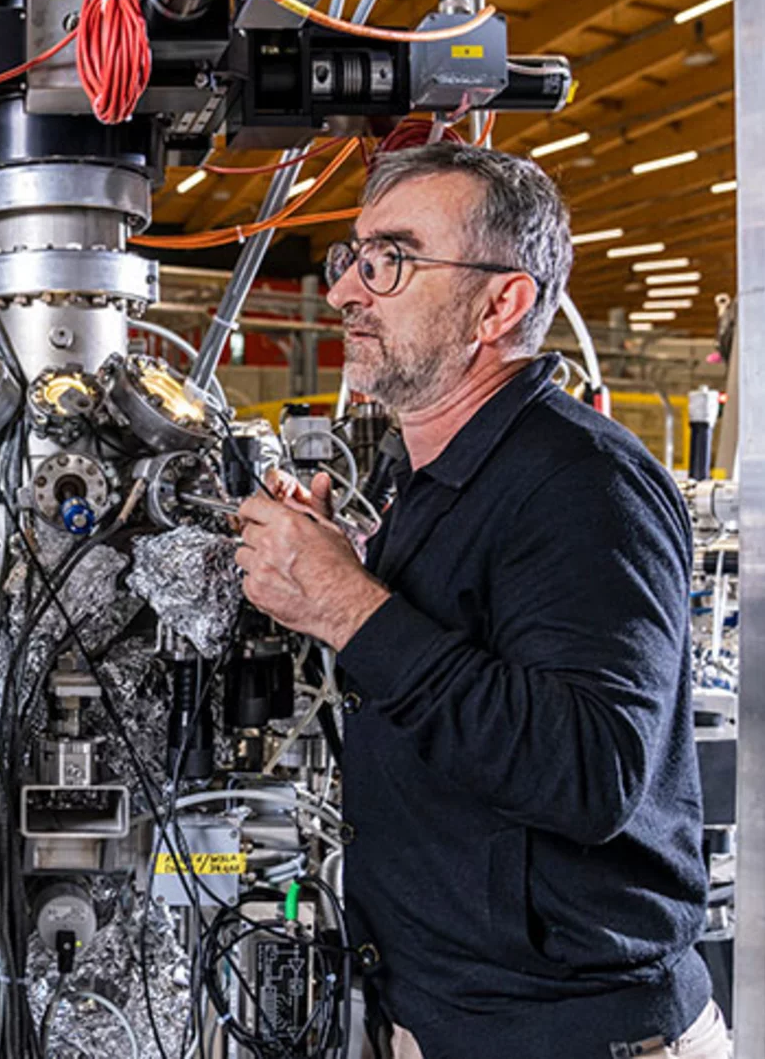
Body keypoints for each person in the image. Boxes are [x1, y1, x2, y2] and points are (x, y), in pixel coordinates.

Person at [233, 143, 728, 1059]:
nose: (345, 292)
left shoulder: (581, 484)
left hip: (570, 1034)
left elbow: (590, 770)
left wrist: (349, 606)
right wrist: (340, 573)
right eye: (352, 259)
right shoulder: (435, 475)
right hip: (454, 1017)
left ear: (500, 304)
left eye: (391, 261)